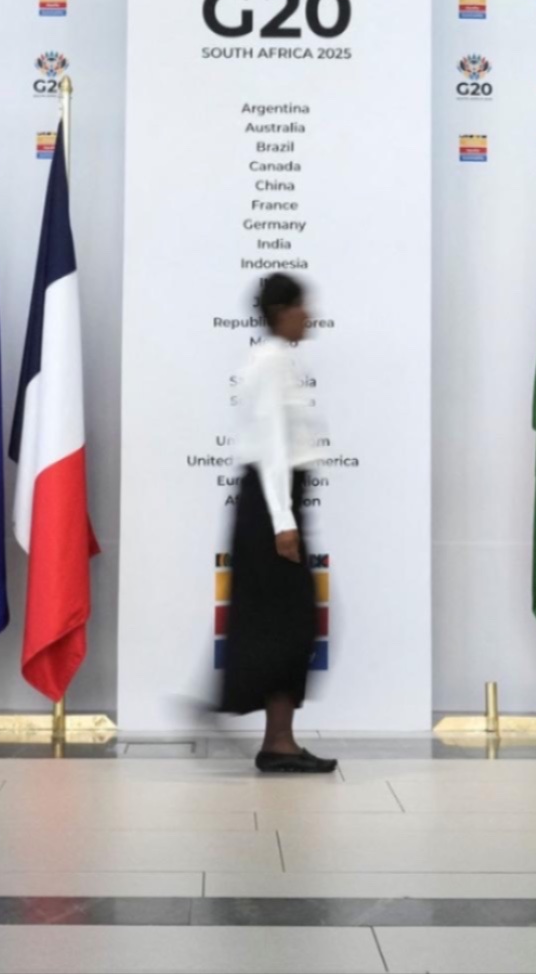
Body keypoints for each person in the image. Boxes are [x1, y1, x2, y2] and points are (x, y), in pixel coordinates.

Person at [222, 273, 336, 774]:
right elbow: (271, 447)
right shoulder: (270, 362)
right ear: (281, 311)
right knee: (285, 625)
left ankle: (279, 741)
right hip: (272, 510)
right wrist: (283, 522)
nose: (308, 315)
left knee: (285, 624)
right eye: (301, 306)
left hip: (274, 507)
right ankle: (278, 742)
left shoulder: (279, 361)